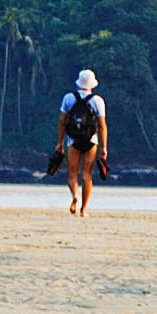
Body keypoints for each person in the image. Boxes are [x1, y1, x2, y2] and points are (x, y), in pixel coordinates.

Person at [51, 67, 109, 217]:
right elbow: (102, 125)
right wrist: (104, 147)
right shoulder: (98, 101)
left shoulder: (69, 98)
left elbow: (62, 122)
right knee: (87, 175)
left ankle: (74, 196)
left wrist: (60, 142)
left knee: (72, 173)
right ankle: (84, 209)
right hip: (91, 141)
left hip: (73, 140)